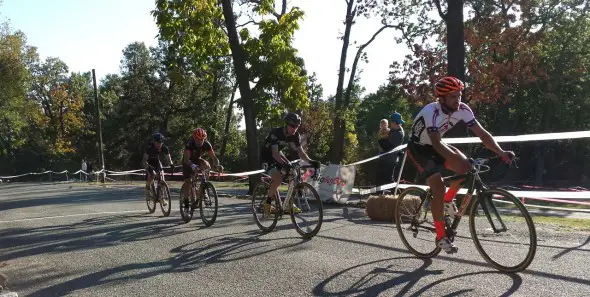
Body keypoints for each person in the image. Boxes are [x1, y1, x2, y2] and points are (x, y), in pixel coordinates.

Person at [406, 76, 515, 254]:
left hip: (437, 145)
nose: (458, 100)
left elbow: (483, 135)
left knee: (466, 170)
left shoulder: (463, 109)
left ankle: (447, 202)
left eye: (459, 96)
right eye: (453, 97)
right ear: (441, 98)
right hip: (420, 149)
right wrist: (460, 160)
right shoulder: (431, 111)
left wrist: (501, 152)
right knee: (439, 188)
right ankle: (441, 236)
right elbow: (436, 143)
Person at [260, 112, 321, 215]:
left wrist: (311, 161)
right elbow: (274, 154)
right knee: (278, 179)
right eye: (292, 126)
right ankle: (267, 203)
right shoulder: (276, 133)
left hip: (278, 154)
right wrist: (285, 164)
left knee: (293, 173)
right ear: (286, 124)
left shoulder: (295, 135)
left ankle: (289, 202)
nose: (295, 129)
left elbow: (301, 153)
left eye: (297, 126)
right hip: (267, 157)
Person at [181, 128, 223, 205]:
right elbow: (186, 160)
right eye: (198, 139)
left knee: (207, 166)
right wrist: (193, 166)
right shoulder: (189, 144)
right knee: (188, 182)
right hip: (187, 162)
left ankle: (204, 189)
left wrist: (217, 165)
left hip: (197, 159)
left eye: (202, 139)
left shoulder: (207, 144)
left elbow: (214, 157)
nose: (200, 141)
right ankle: (186, 203)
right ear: (194, 137)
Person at [142, 132, 173, 206]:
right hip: (148, 163)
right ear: (154, 142)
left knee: (162, 176)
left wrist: (171, 164)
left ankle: (162, 197)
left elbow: (169, 158)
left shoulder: (164, 148)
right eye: (157, 142)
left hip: (157, 162)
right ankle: (147, 189)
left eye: (161, 142)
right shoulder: (149, 148)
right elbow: (144, 160)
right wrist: (148, 167)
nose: (159, 144)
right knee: (152, 175)